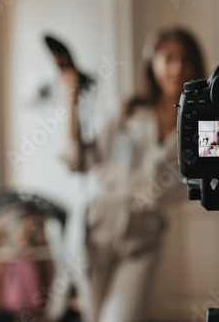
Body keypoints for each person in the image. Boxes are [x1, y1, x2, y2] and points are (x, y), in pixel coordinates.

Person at [55, 27, 205, 322]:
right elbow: (79, 161)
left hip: (144, 235)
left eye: (185, 60)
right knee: (93, 315)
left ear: (196, 66)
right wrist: (71, 95)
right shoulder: (128, 111)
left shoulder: (202, 125)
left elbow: (202, 183)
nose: (177, 68)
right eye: (168, 58)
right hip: (96, 226)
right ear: (152, 63)